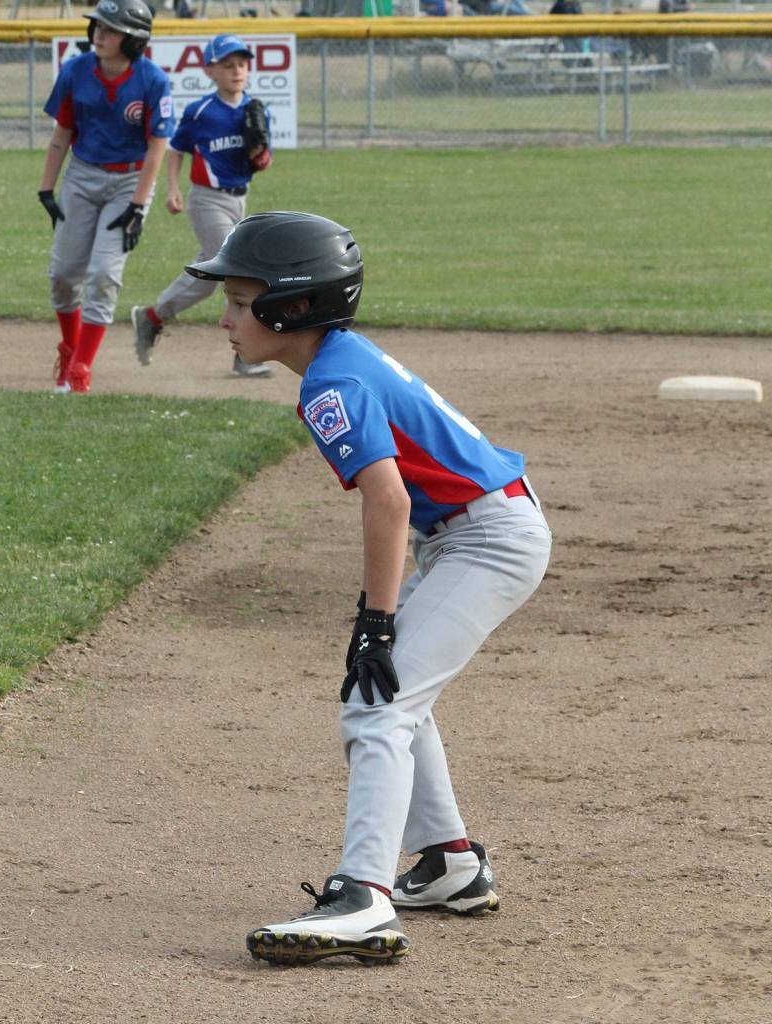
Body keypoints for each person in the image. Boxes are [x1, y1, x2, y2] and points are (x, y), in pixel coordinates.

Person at [185, 212, 553, 966]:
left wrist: (375, 619)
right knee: (395, 693)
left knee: (376, 703)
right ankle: (450, 864)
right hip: (480, 531)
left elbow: (387, 500)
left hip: (486, 540)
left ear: (293, 308)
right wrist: (380, 629)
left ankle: (364, 899)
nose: (224, 318)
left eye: (239, 300)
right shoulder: (340, 360)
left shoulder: (331, 384)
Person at [39, 0, 173, 395]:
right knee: (63, 275)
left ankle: (80, 368)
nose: (99, 34)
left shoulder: (152, 80)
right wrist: (46, 189)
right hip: (81, 176)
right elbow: (61, 134)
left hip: (129, 182)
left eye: (111, 29)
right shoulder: (75, 71)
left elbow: (156, 147)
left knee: (103, 275)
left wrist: (137, 205)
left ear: (133, 40)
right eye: (97, 26)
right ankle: (69, 347)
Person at [130, 34, 274, 379]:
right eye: (227, 65)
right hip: (206, 200)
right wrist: (172, 189)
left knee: (207, 277)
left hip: (239, 199)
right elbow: (177, 148)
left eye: (241, 64)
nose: (236, 71)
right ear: (210, 70)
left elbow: (263, 162)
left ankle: (151, 317)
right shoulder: (201, 112)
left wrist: (260, 155)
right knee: (239, 268)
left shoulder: (257, 110)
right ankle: (247, 355)